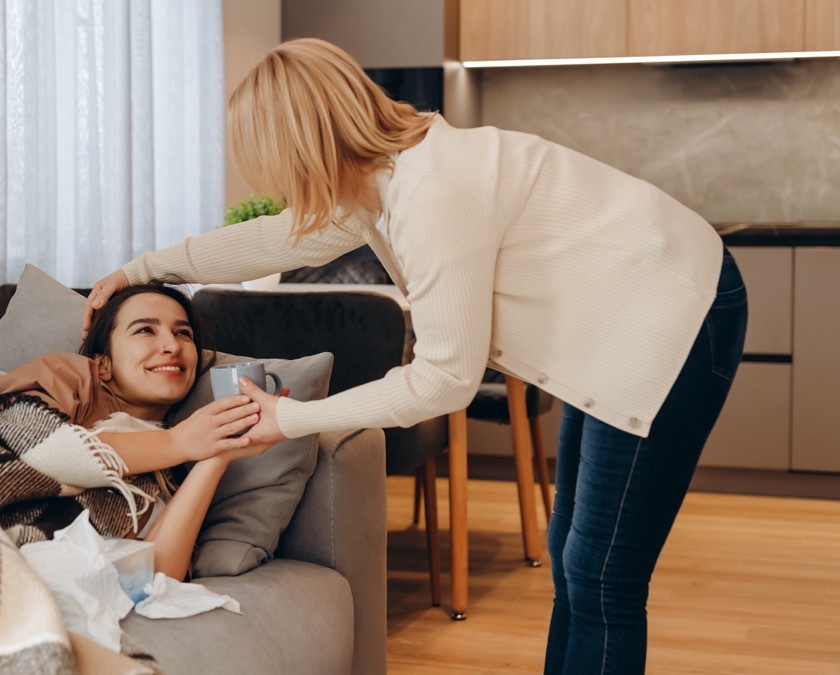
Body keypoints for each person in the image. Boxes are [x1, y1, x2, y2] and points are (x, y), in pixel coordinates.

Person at [81, 38, 747, 674]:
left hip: (672, 313)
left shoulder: (433, 194)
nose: (279, 182)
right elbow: (277, 238)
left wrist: (289, 418)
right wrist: (144, 266)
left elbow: (443, 382)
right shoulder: (380, 178)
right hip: (615, 322)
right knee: (573, 558)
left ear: (304, 146)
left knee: (602, 575)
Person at [0, 282, 275, 582]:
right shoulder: (70, 377)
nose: (172, 345)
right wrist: (179, 442)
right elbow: (28, 443)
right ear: (103, 364)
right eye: (145, 330)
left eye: (183, 333)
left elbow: (153, 577)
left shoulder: (172, 474)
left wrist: (216, 456)